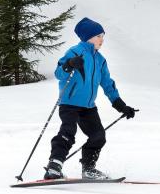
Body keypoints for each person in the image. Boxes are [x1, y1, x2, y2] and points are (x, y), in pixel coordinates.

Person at [44, 17, 137, 180]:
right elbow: (59, 74)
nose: (102, 40)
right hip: (70, 103)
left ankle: (88, 169)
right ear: (88, 36)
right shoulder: (74, 52)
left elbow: (108, 85)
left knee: (98, 136)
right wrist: (70, 64)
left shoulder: (100, 60)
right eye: (99, 36)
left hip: (88, 107)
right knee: (68, 132)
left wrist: (121, 106)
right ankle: (54, 166)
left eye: (103, 36)